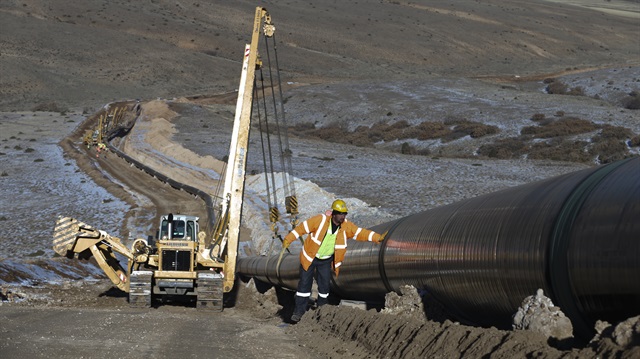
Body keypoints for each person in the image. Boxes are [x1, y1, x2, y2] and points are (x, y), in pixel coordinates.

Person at [283, 199, 387, 323]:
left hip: (326, 260)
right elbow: (302, 228)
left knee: (325, 287)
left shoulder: (346, 227)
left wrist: (377, 238)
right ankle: (299, 312)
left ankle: (322, 311)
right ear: (334, 213)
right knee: (304, 285)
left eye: (344, 214)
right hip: (310, 257)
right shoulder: (320, 220)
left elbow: (360, 233)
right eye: (340, 214)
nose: (343, 217)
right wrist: (288, 239)